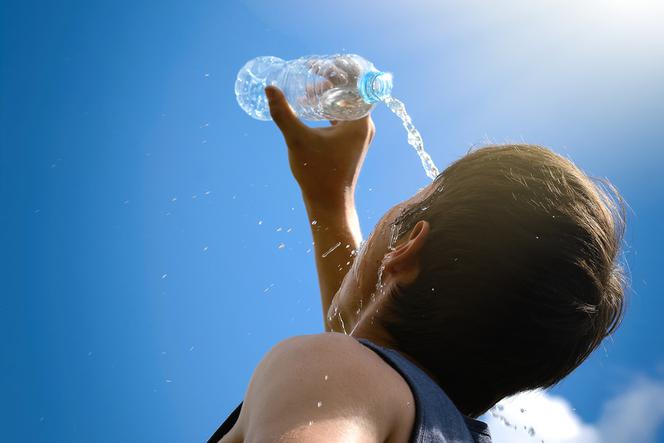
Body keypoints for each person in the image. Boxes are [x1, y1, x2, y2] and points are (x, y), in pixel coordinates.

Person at [208, 85, 628, 443]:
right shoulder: (435, 423)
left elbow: (352, 365)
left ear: (408, 245)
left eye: (411, 200)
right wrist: (330, 202)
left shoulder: (331, 369)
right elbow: (369, 353)